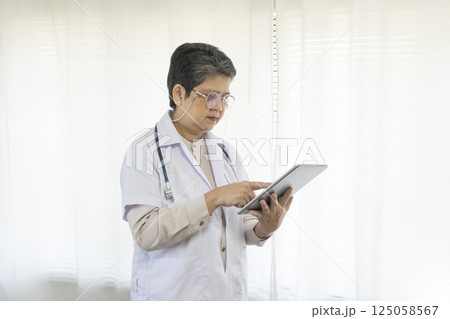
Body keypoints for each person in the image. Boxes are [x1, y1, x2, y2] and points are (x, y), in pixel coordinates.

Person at [120, 43, 294, 300]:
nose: (219, 108)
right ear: (179, 94)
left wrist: (263, 227)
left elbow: (237, 226)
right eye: (211, 97)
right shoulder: (144, 151)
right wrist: (213, 199)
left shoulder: (225, 153)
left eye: (225, 98)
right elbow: (146, 233)